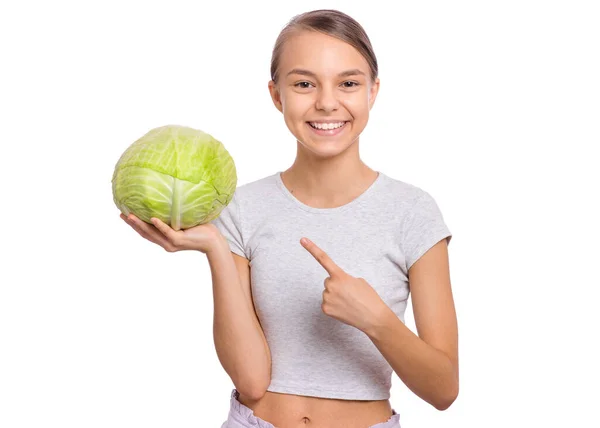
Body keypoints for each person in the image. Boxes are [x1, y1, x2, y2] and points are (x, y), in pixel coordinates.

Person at [120, 8, 458, 428]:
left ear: (373, 91)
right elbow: (252, 380)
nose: (327, 102)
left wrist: (377, 320)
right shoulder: (238, 208)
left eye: (348, 83)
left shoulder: (413, 211)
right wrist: (214, 250)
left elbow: (443, 390)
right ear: (276, 94)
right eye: (303, 84)